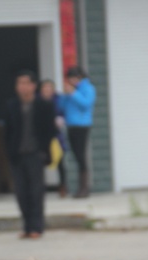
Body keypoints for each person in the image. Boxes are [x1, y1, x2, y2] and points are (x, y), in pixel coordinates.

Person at [4, 70, 57, 239]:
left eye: (26, 83)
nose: (22, 87)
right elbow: (7, 131)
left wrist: (43, 150)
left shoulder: (44, 105)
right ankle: (26, 226)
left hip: (36, 154)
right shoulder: (11, 105)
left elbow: (51, 130)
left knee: (36, 192)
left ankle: (37, 227)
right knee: (21, 192)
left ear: (34, 85)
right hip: (17, 155)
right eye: (19, 83)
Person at [62, 66, 96, 198]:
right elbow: (64, 106)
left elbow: (86, 104)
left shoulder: (88, 88)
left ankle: (84, 187)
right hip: (71, 125)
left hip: (82, 125)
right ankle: (80, 187)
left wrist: (73, 93)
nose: (72, 80)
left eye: (73, 78)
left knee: (81, 156)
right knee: (76, 155)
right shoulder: (72, 89)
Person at [39, 79, 69, 198]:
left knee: (60, 162)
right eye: (45, 88)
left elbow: (64, 112)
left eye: (49, 87)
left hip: (56, 136)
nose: (47, 90)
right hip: (41, 135)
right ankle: (39, 187)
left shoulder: (59, 100)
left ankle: (63, 187)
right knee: (39, 162)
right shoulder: (37, 101)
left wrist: (60, 119)